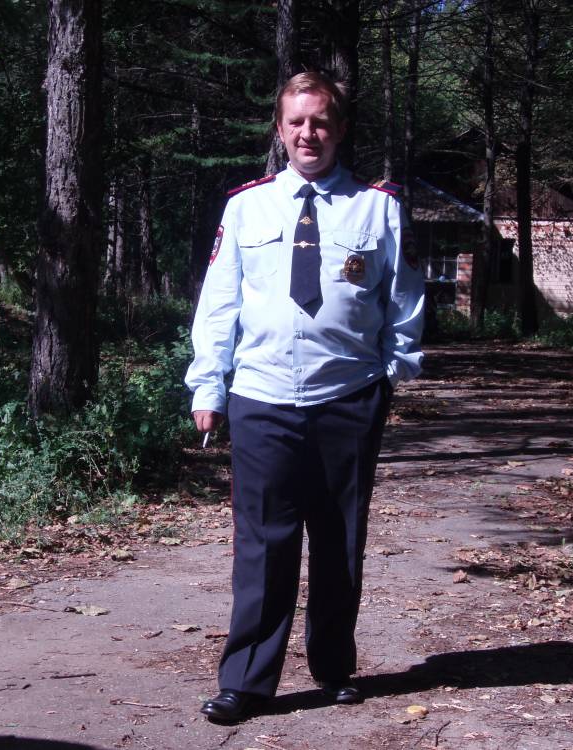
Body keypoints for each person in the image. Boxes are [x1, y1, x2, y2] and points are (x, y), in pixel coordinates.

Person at [185, 71, 424, 724]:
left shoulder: (377, 209)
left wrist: (393, 374)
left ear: (339, 129)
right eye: (296, 122)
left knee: (339, 537)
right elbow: (219, 304)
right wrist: (208, 384)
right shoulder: (247, 208)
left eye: (320, 121)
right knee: (263, 544)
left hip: (348, 396)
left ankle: (334, 666)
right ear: (280, 130)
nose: (308, 133)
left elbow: (404, 297)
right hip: (261, 396)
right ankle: (247, 681)